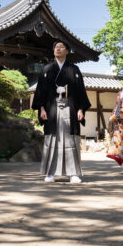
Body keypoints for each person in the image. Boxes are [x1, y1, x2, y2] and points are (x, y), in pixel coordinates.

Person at [31, 40, 91, 183]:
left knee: (71, 140)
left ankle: (73, 173)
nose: (58, 49)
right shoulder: (46, 69)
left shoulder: (74, 69)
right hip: (51, 109)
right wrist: (42, 108)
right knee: (52, 139)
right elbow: (40, 91)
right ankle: (50, 173)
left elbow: (81, 91)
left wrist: (81, 109)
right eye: (56, 47)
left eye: (61, 47)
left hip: (71, 109)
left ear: (67, 51)